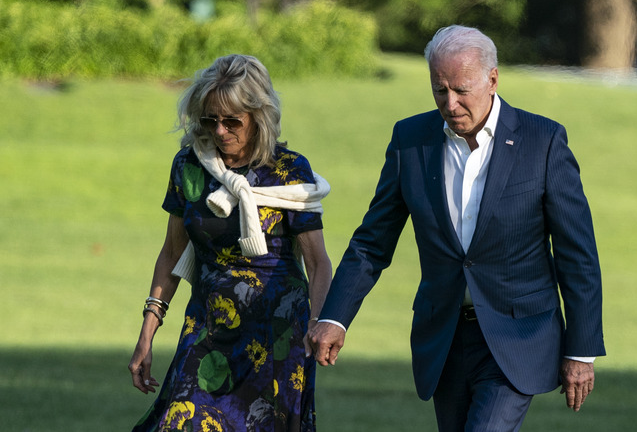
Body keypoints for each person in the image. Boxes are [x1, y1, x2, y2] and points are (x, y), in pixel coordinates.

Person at [308, 25, 605, 431]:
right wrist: (336, 317)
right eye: (439, 90)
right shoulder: (410, 140)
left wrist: (582, 351)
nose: (450, 103)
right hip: (444, 338)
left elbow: (577, 253)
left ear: (493, 79)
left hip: (519, 336)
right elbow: (372, 243)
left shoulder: (544, 141)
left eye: (462, 90)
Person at [128, 54, 332, 432]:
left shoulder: (290, 172)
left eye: (232, 121)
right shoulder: (189, 166)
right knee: (179, 420)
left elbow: (318, 263)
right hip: (206, 328)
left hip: (277, 338)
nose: (219, 131)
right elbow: (172, 253)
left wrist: (318, 325)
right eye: (210, 119)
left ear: (259, 116)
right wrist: (147, 332)